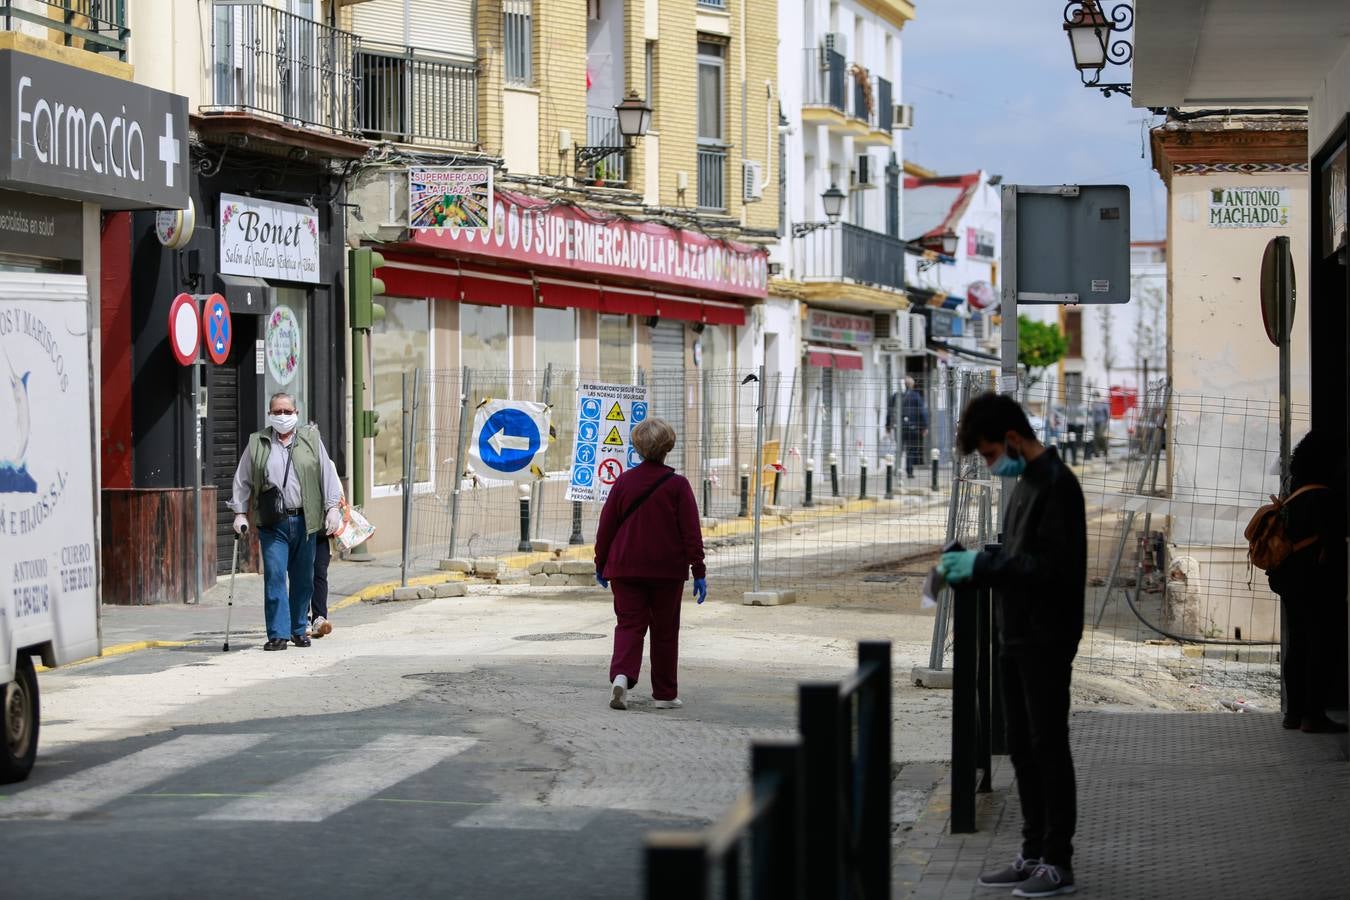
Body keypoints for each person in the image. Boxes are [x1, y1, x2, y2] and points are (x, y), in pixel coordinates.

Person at [937, 392, 1086, 898]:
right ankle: (1033, 850)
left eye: (988, 454)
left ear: (1014, 440)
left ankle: (1058, 862)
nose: (988, 464)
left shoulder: (1058, 488)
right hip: (1016, 634)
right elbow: (1019, 560)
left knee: (1048, 745)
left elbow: (1048, 570)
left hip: (1046, 636)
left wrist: (981, 567)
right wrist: (975, 564)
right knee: (1022, 748)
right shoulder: (1025, 483)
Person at [594, 417, 707, 711]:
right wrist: (699, 571)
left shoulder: (624, 482)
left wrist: (601, 563)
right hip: (666, 571)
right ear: (668, 447)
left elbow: (606, 527)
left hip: (624, 568)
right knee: (665, 630)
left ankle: (621, 676)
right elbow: (691, 533)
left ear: (637, 448)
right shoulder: (678, 486)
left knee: (629, 624)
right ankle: (665, 694)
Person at [229, 392, 343, 651]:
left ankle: (298, 629)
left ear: (296, 414)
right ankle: (277, 634)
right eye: (277, 411)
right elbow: (242, 478)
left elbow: (327, 474)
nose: (282, 416)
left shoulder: (311, 440)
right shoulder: (257, 442)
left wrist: (332, 508)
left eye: (287, 411)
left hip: (305, 520)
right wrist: (239, 512)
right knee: (275, 576)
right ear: (269, 414)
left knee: (303, 579)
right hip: (273, 523)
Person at [1267, 430, 1349, 734]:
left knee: (1299, 643)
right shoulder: (1325, 496)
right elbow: (1334, 542)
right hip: (1319, 580)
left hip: (1290, 579)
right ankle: (1314, 715)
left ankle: (1294, 713)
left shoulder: (1294, 490)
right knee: (1322, 644)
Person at [309, 454, 342, 640]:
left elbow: (338, 493)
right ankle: (302, 618)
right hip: (301, 527)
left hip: (321, 529)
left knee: (320, 572)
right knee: (302, 573)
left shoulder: (327, 464)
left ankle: (319, 618)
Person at [886, 376, 929, 478]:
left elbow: (890, 411)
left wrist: (888, 425)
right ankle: (909, 472)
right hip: (912, 428)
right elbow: (922, 412)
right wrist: (924, 427)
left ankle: (897, 469)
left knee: (899, 449)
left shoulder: (896, 396)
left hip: (899, 427)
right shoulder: (916, 396)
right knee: (911, 450)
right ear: (912, 385)